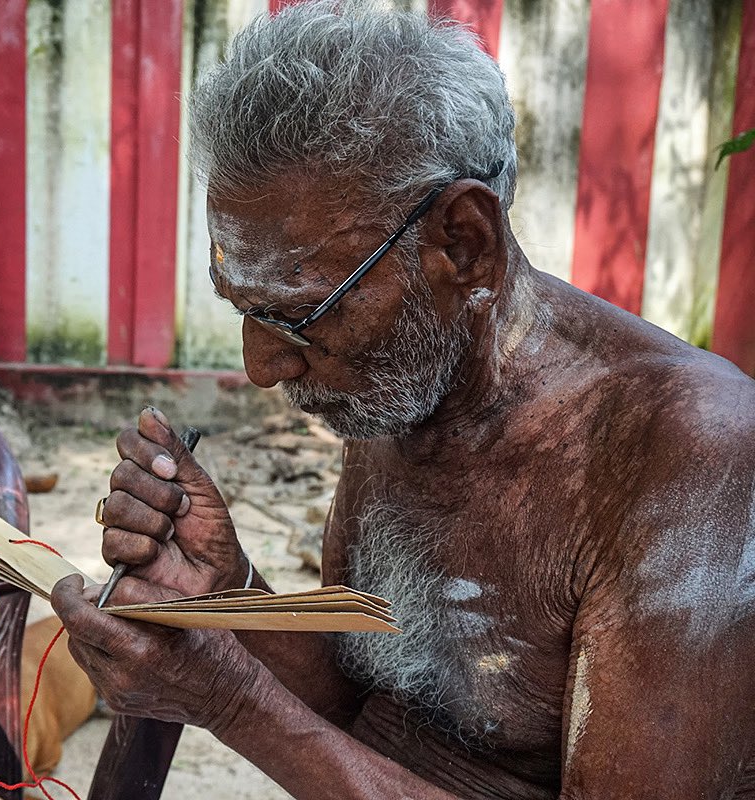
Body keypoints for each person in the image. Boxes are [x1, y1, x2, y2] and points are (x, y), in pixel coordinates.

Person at [50, 1, 755, 797]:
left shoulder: (687, 449)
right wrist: (226, 592)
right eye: (243, 309)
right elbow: (362, 706)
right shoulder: (402, 380)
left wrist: (229, 699)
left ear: (463, 243)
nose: (262, 367)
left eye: (298, 314)